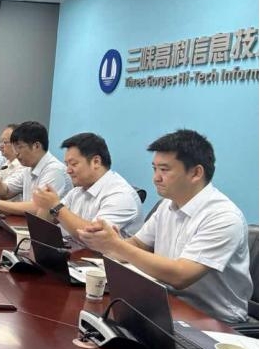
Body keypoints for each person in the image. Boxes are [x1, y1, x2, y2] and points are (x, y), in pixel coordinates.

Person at [78, 129, 252, 324]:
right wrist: (107, 242)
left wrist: (117, 246)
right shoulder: (167, 205)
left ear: (196, 173)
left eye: (164, 170)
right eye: (155, 169)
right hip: (166, 304)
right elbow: (138, 244)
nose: (156, 178)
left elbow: (181, 275)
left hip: (215, 322)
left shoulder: (223, 217)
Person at [32, 132, 143, 239]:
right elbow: (43, 225)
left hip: (98, 252)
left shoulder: (120, 195)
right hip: (74, 249)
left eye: (74, 164)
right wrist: (45, 205)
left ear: (96, 162)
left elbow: (94, 237)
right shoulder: (78, 190)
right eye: (67, 164)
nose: (68, 170)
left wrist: (56, 206)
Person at [0, 121, 71, 215]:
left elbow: (38, 207)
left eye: (19, 147)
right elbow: (5, 192)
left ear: (36, 146)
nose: (16, 153)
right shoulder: (28, 167)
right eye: (14, 148)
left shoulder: (54, 170)